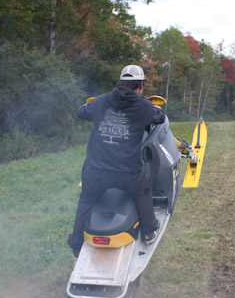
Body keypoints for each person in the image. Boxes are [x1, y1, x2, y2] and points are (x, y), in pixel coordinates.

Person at [68, 65, 166, 258]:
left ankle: (77, 244)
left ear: (121, 82)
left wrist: (91, 105)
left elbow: (82, 112)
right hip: (128, 174)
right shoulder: (144, 107)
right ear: (140, 86)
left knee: (86, 199)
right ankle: (148, 231)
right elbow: (160, 117)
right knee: (144, 190)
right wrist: (153, 107)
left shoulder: (101, 101)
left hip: (97, 172)